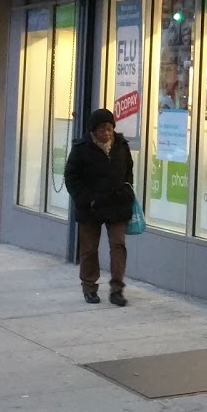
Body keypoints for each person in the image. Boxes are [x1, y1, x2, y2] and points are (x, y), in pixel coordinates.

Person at [63, 107, 135, 306]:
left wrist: (127, 189)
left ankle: (117, 288)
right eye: (102, 129)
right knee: (89, 249)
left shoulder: (121, 145)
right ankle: (89, 287)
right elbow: (71, 177)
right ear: (93, 131)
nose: (107, 133)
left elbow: (129, 170)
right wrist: (87, 199)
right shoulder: (81, 148)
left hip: (116, 204)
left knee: (118, 246)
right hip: (91, 207)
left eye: (110, 128)